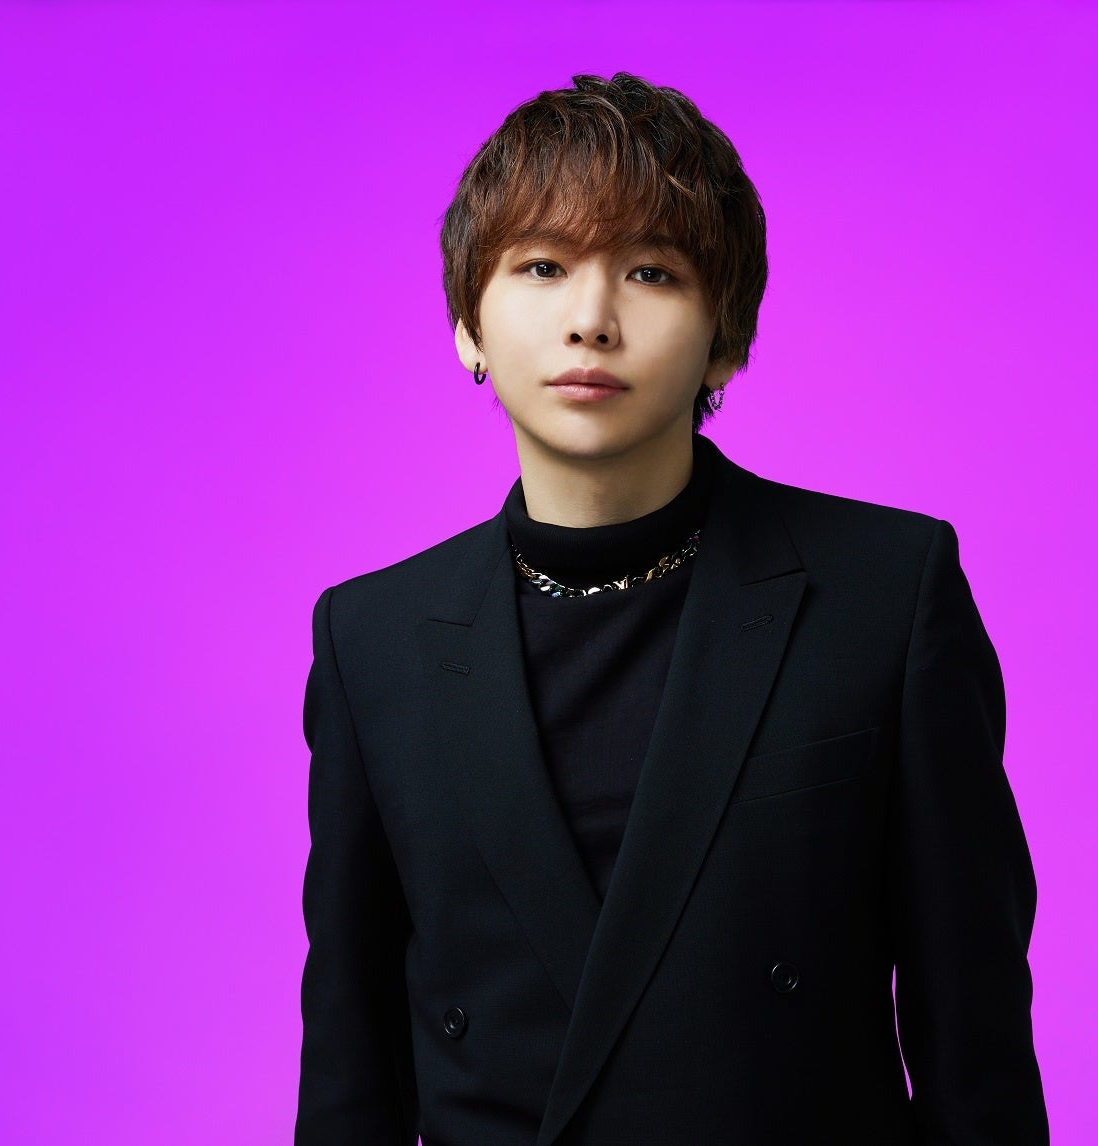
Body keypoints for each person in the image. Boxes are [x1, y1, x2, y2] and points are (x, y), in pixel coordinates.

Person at [295, 72, 1048, 1145]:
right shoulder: (372, 639)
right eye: (542, 267)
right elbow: (349, 1067)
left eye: (650, 272)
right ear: (468, 324)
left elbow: (975, 1038)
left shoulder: (886, 591)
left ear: (725, 339)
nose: (590, 321)